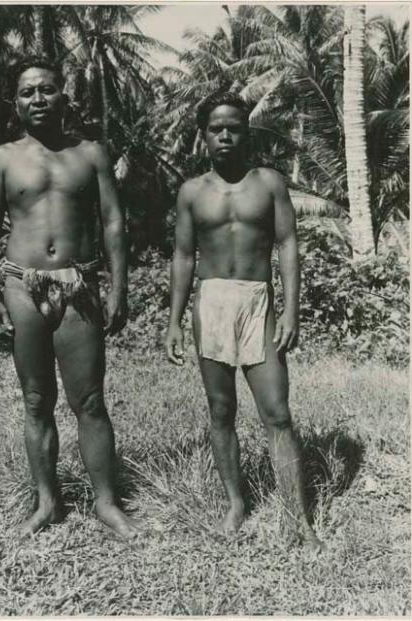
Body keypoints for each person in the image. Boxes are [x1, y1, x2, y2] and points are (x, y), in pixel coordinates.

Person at [0, 56, 139, 539]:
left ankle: (107, 504)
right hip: (21, 285)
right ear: (16, 103)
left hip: (79, 286)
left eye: (47, 89)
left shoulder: (90, 154)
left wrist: (119, 288)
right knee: (35, 400)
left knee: (89, 400)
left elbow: (113, 223)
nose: (38, 99)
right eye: (28, 92)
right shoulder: (2, 159)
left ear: (65, 96)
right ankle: (48, 503)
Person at [165, 91, 324, 550]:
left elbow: (288, 244)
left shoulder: (269, 183)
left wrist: (291, 309)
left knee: (277, 411)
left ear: (246, 130)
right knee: (221, 410)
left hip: (259, 301)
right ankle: (237, 502)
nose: (226, 135)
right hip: (210, 300)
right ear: (204, 136)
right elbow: (181, 256)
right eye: (216, 128)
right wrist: (174, 321)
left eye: (234, 126)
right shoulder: (192, 192)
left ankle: (299, 518)